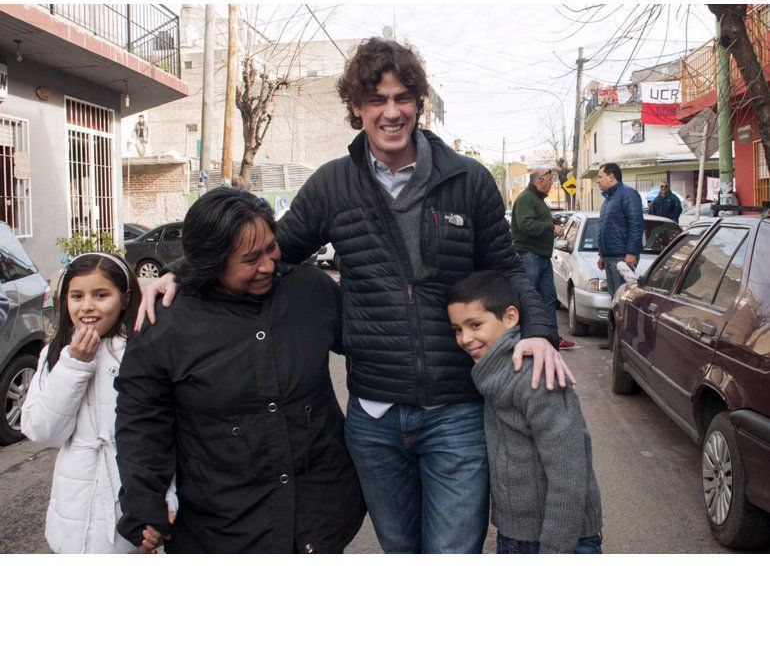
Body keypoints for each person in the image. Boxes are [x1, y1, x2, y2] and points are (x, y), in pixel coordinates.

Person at [137, 38, 573, 554]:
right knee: (400, 550)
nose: (391, 112)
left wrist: (540, 331)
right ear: (357, 107)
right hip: (374, 418)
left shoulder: (469, 180)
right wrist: (182, 273)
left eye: (403, 97)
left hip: (456, 409)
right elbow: (268, 248)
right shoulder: (333, 185)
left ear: (419, 102)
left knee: (453, 552)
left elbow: (507, 268)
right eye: (376, 99)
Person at [115, 187, 366, 553]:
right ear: (211, 261)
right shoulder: (165, 324)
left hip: (320, 516)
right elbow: (141, 421)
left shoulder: (310, 291)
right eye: (250, 259)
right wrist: (144, 504)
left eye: (271, 248)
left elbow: (370, 346)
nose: (268, 265)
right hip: (222, 529)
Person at [20, 252, 175, 553]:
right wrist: (75, 365)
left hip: (128, 504)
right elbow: (43, 431)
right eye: (77, 296)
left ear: (125, 299)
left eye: (101, 295)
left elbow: (162, 435)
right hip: (71, 509)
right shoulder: (56, 353)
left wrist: (163, 501)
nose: (87, 306)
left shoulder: (140, 351)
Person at [447, 270, 603, 553]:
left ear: (510, 317)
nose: (465, 339)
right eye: (457, 329)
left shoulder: (536, 377)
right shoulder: (492, 372)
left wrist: (555, 550)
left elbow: (569, 474)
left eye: (475, 325)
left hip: (560, 539)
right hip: (515, 536)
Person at [510, 166, 574, 351]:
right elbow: (525, 225)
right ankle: (523, 338)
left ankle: (552, 338)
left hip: (542, 258)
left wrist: (550, 225)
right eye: (550, 179)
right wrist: (551, 227)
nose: (552, 183)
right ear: (540, 180)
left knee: (549, 298)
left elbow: (536, 222)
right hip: (530, 256)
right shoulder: (526, 199)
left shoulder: (537, 199)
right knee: (528, 298)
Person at [596, 163, 643, 350]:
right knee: (614, 302)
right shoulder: (608, 199)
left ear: (611, 176)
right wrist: (602, 254)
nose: (598, 181)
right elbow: (604, 228)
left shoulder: (628, 195)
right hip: (610, 257)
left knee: (622, 303)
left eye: (600, 177)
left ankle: (624, 345)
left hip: (622, 259)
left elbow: (636, 224)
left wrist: (632, 252)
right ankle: (614, 342)